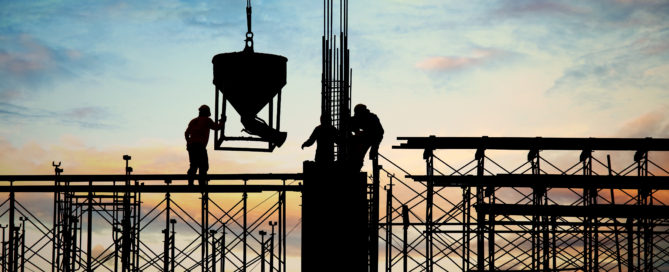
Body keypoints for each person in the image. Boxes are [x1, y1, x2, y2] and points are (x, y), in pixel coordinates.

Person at [185, 105, 223, 186]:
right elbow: (217, 127)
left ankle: (190, 183)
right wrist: (222, 121)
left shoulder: (193, 121)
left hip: (191, 146)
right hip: (199, 146)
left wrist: (188, 142)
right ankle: (202, 184)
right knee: (203, 165)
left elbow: (186, 133)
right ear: (207, 112)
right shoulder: (207, 120)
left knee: (193, 165)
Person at [350, 104, 384, 171]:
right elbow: (352, 124)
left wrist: (374, 148)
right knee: (356, 157)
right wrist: (356, 131)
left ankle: (355, 167)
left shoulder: (372, 118)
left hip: (372, 139)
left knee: (357, 158)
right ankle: (355, 166)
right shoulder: (359, 117)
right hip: (367, 139)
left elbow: (380, 133)